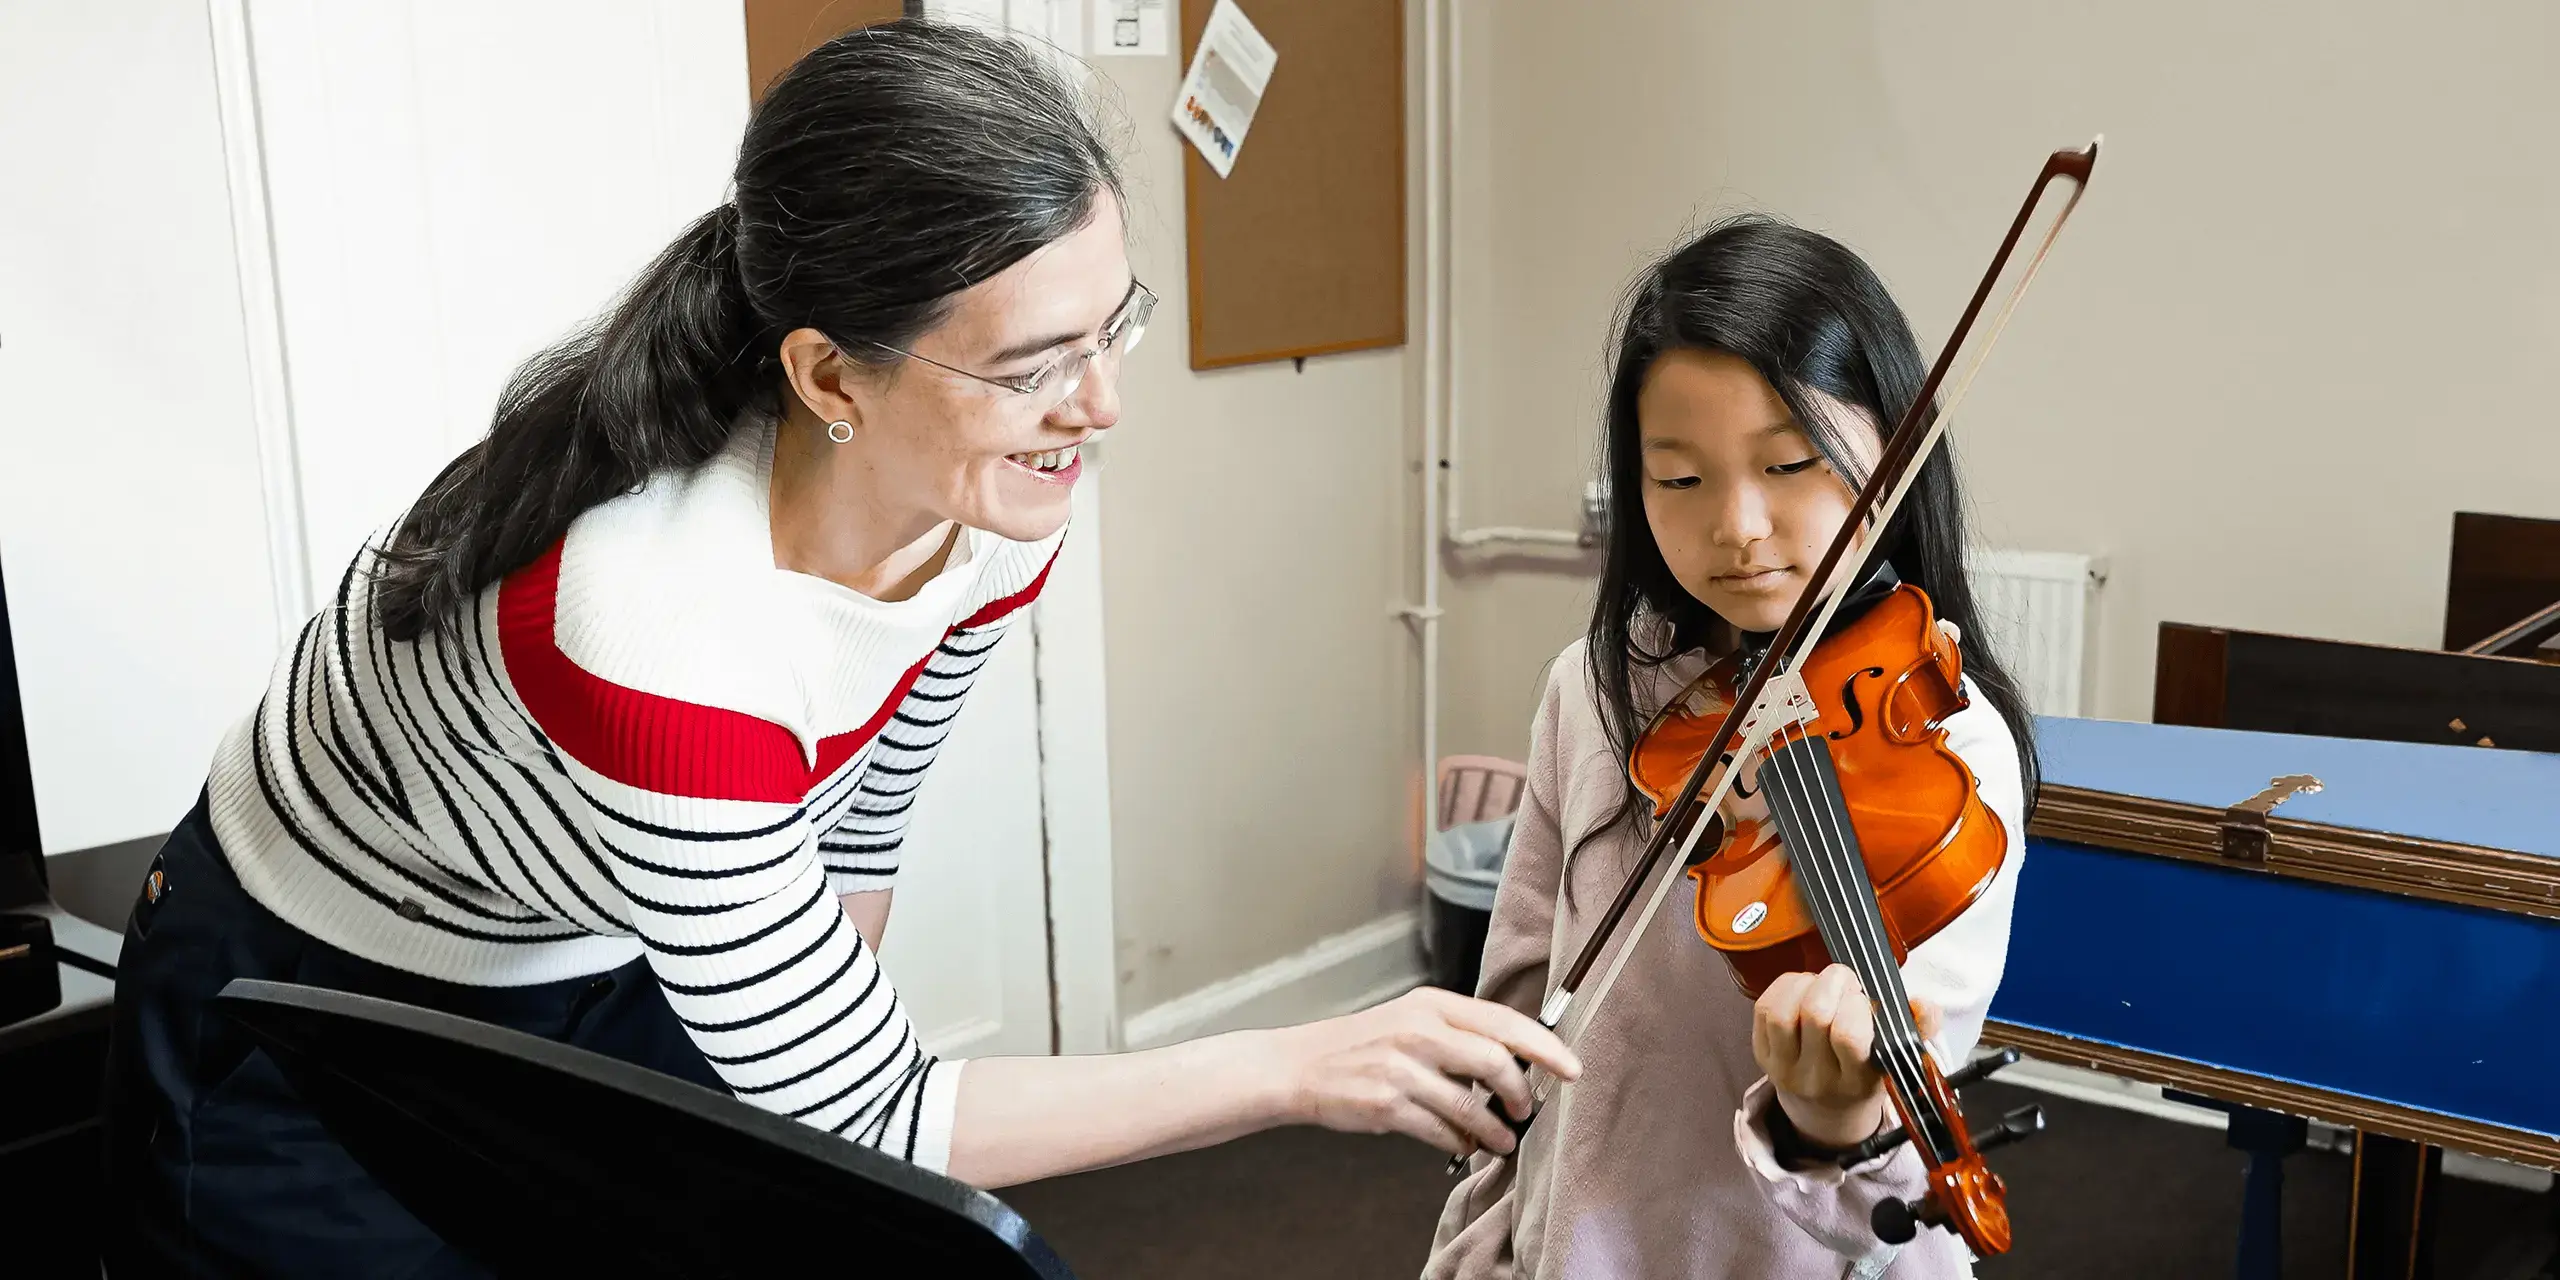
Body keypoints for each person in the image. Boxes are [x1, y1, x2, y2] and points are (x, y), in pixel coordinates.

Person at [101, 20, 1573, 1274]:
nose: (1103, 403)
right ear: (828, 374)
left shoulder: (1003, 507)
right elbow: (877, 1119)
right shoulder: (658, 634)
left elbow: (864, 815)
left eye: (1111, 325)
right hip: (317, 981)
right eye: (1034, 364)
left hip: (604, 929)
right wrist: (1303, 1063)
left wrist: (829, 1066)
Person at [1425, 217, 2040, 1279]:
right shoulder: (1597, 688)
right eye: (1679, 478)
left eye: (1789, 463)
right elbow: (1520, 1012)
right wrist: (1489, 1235)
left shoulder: (1947, 745)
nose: (1739, 524)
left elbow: (1891, 1176)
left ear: (1891, 449)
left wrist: (1827, 1112)